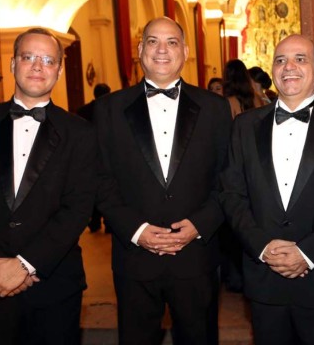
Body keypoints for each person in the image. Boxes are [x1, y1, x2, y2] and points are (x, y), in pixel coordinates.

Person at [95, 17, 231, 345]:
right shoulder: (109, 108)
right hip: (135, 259)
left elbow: (229, 178)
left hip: (196, 257)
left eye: (171, 42)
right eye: (153, 41)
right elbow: (100, 179)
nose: (161, 49)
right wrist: (137, 231)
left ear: (185, 51)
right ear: (140, 50)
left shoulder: (215, 108)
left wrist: (200, 225)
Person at [221, 34, 314, 345]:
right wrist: (262, 247)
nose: (289, 67)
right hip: (264, 282)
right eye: (280, 60)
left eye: (300, 59)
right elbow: (231, 194)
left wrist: (306, 253)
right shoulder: (244, 125)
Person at [0, 27, 96, 344]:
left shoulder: (80, 133)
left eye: (48, 60)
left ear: (59, 70)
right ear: (12, 64)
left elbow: (78, 208)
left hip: (54, 285)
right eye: (28, 57)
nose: (38, 66)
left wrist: (25, 264)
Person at [77, 82, 111, 233]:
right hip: (110, 155)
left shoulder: (83, 111)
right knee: (110, 189)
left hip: (90, 156)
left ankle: (95, 222)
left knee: (94, 190)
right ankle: (110, 224)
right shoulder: (114, 110)